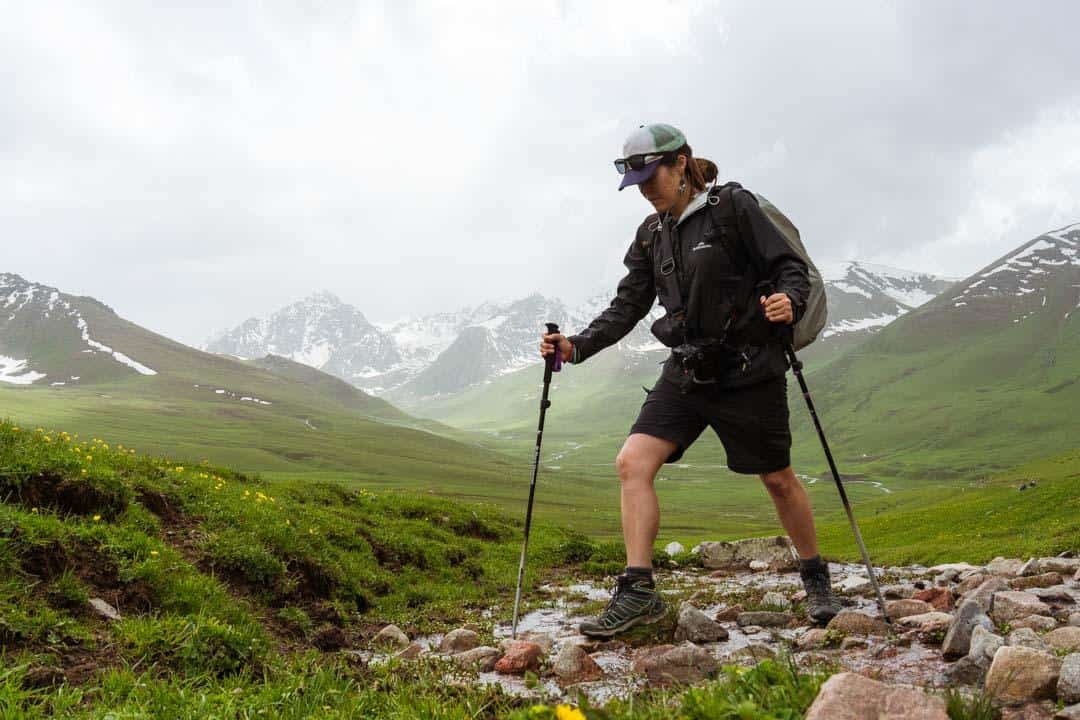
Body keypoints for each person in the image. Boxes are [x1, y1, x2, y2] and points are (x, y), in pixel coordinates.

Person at [539, 123, 841, 638]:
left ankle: (816, 578)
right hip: (686, 369)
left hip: (748, 369)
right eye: (635, 180)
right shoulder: (651, 234)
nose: (644, 188)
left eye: (650, 174)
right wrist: (578, 345)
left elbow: (790, 266)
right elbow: (629, 304)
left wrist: (788, 301)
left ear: (681, 162)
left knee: (777, 478)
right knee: (632, 462)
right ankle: (638, 594)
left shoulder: (733, 208)